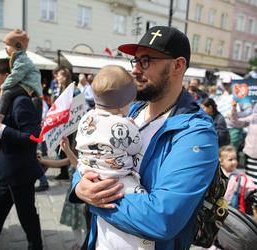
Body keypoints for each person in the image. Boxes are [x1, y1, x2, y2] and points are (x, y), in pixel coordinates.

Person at [69, 26, 219, 249]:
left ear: (178, 65)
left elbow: (161, 220)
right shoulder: (129, 111)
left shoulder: (195, 133)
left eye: (146, 61)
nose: (136, 70)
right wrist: (78, 186)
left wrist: (93, 201)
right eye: (135, 61)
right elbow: (92, 156)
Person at [75, 65, 151, 248]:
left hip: (88, 173)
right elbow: (135, 147)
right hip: (116, 179)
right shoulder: (123, 124)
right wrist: (132, 127)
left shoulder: (87, 117)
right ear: (124, 103)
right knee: (141, 195)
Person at [0, 58, 43, 250]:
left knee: (27, 216)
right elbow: (8, 125)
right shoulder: (7, 99)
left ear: (6, 77)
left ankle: (36, 246)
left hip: (19, 173)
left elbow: (33, 137)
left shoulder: (21, 100)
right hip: (8, 170)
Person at [39, 137, 87, 250]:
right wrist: (42, 161)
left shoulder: (86, 158)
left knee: (85, 224)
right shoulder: (73, 155)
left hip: (83, 197)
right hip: (73, 194)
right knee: (74, 223)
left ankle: (84, 245)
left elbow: (78, 166)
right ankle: (80, 244)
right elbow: (60, 163)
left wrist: (67, 151)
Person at [0, 29, 42, 121]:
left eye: (8, 45)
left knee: (7, 94)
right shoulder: (17, 58)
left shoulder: (22, 60)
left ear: (17, 46)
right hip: (24, 84)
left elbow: (15, 76)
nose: (5, 48)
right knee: (8, 93)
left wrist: (3, 86)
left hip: (29, 85)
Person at [227, 101, 257, 184]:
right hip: (251, 155)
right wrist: (234, 108)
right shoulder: (254, 117)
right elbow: (236, 122)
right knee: (250, 183)